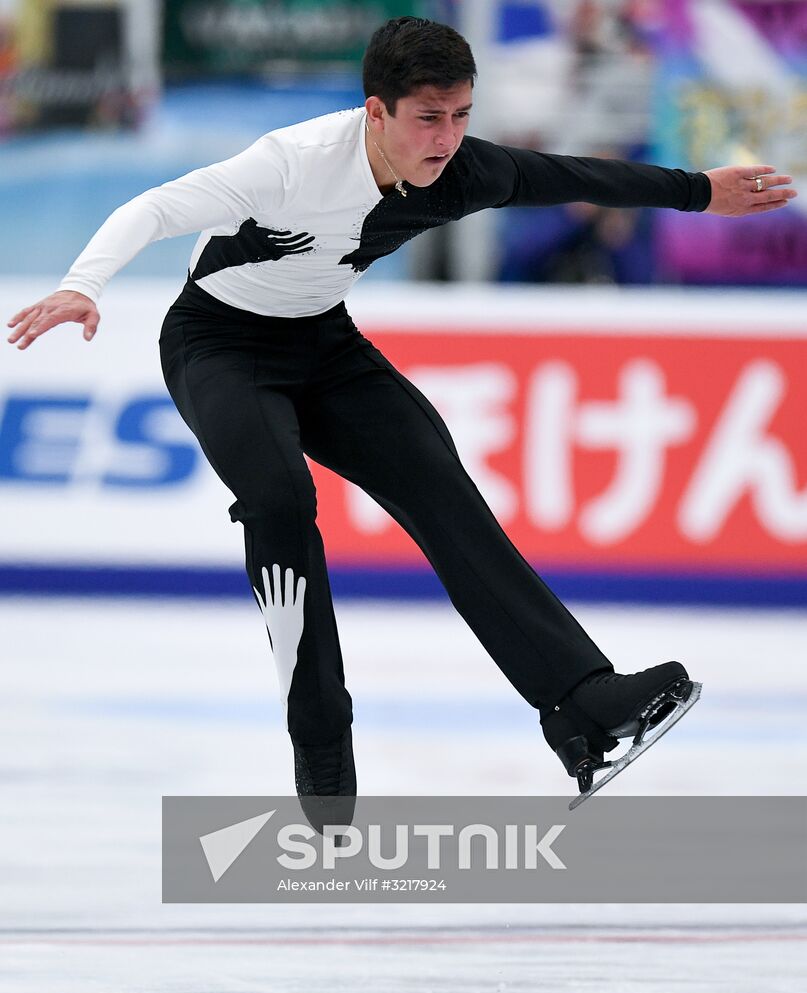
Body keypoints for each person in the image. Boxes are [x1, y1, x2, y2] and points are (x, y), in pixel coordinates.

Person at [6, 17, 797, 827]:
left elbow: (569, 175)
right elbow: (154, 207)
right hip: (220, 346)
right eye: (428, 117)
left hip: (326, 346)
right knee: (280, 504)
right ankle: (320, 744)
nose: (448, 138)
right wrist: (84, 284)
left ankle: (582, 707)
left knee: (444, 492)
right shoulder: (292, 163)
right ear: (374, 113)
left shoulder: (464, 170)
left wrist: (698, 191)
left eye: (460, 115)